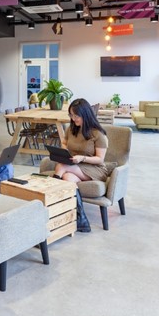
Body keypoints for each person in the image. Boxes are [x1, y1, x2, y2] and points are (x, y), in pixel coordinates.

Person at [50, 98, 112, 233]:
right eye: (71, 115)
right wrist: (64, 150)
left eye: (76, 116)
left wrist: (82, 158)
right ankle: (81, 219)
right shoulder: (71, 129)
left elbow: (100, 159)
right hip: (75, 166)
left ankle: (50, 200)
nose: (73, 119)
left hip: (95, 169)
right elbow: (65, 143)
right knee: (67, 178)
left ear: (85, 114)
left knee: (62, 167)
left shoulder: (98, 134)